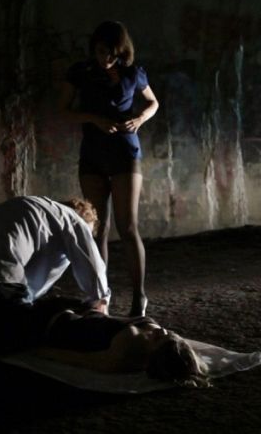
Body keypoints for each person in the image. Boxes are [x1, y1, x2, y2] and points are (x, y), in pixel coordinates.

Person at [58, 20, 159, 317]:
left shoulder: (133, 73)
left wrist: (139, 119)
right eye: (101, 52)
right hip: (93, 153)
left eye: (112, 54)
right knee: (97, 229)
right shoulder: (80, 72)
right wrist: (94, 118)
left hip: (125, 153)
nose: (106, 59)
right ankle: (101, 297)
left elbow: (153, 103)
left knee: (128, 227)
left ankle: (139, 297)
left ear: (121, 52)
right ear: (94, 48)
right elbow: (63, 111)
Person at [0, 195, 110, 348]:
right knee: (21, 329)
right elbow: (93, 266)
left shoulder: (40, 208)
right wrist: (100, 300)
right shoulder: (74, 220)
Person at [35, 308, 210, 387]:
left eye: (158, 338)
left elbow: (86, 360)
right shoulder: (158, 343)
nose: (162, 330)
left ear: (153, 354)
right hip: (80, 311)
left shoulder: (126, 350)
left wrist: (43, 352)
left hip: (49, 320)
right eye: (169, 333)